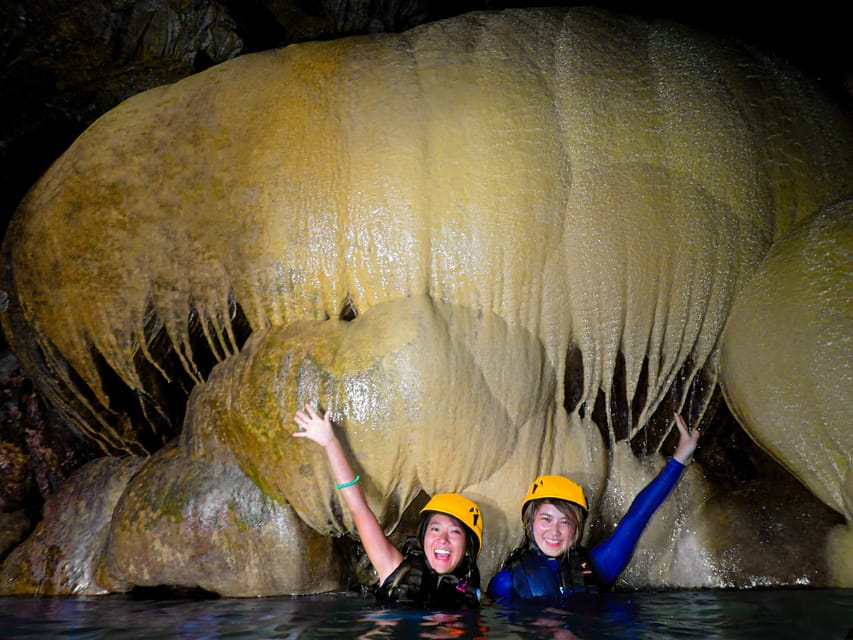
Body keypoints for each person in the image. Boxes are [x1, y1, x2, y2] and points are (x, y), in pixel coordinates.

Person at [488, 413, 700, 602]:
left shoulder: (601, 566)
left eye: (565, 522)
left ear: (577, 529)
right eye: (546, 519)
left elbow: (639, 515)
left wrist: (678, 461)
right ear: (529, 521)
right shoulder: (506, 583)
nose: (554, 531)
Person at [293, 403, 483, 608]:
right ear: (423, 537)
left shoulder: (471, 595)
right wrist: (330, 442)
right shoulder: (394, 569)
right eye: (435, 529)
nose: (443, 540)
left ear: (467, 548)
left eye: (455, 532)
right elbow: (359, 509)